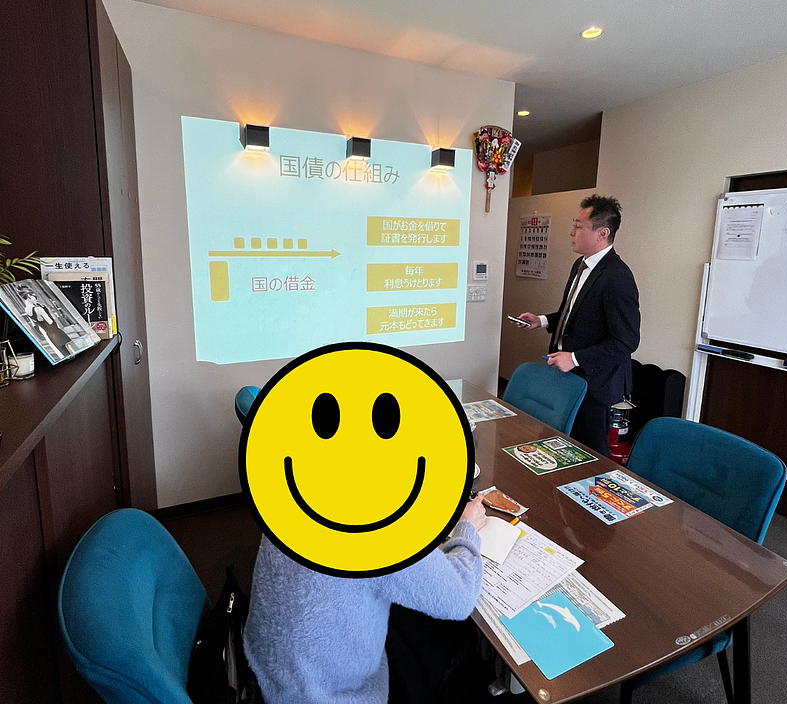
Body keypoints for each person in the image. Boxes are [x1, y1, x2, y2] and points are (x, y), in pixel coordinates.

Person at [244, 495, 487, 704]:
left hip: (270, 674)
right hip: (328, 695)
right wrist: (467, 527)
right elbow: (461, 597)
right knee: (455, 642)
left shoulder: (293, 495)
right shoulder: (373, 524)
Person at [516, 195, 640, 456]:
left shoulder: (617, 276)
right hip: (565, 374)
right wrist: (542, 320)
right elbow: (574, 314)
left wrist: (574, 358)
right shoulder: (580, 265)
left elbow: (626, 340)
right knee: (559, 442)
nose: (571, 232)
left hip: (595, 381)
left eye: (579, 226)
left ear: (602, 233)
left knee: (591, 452)